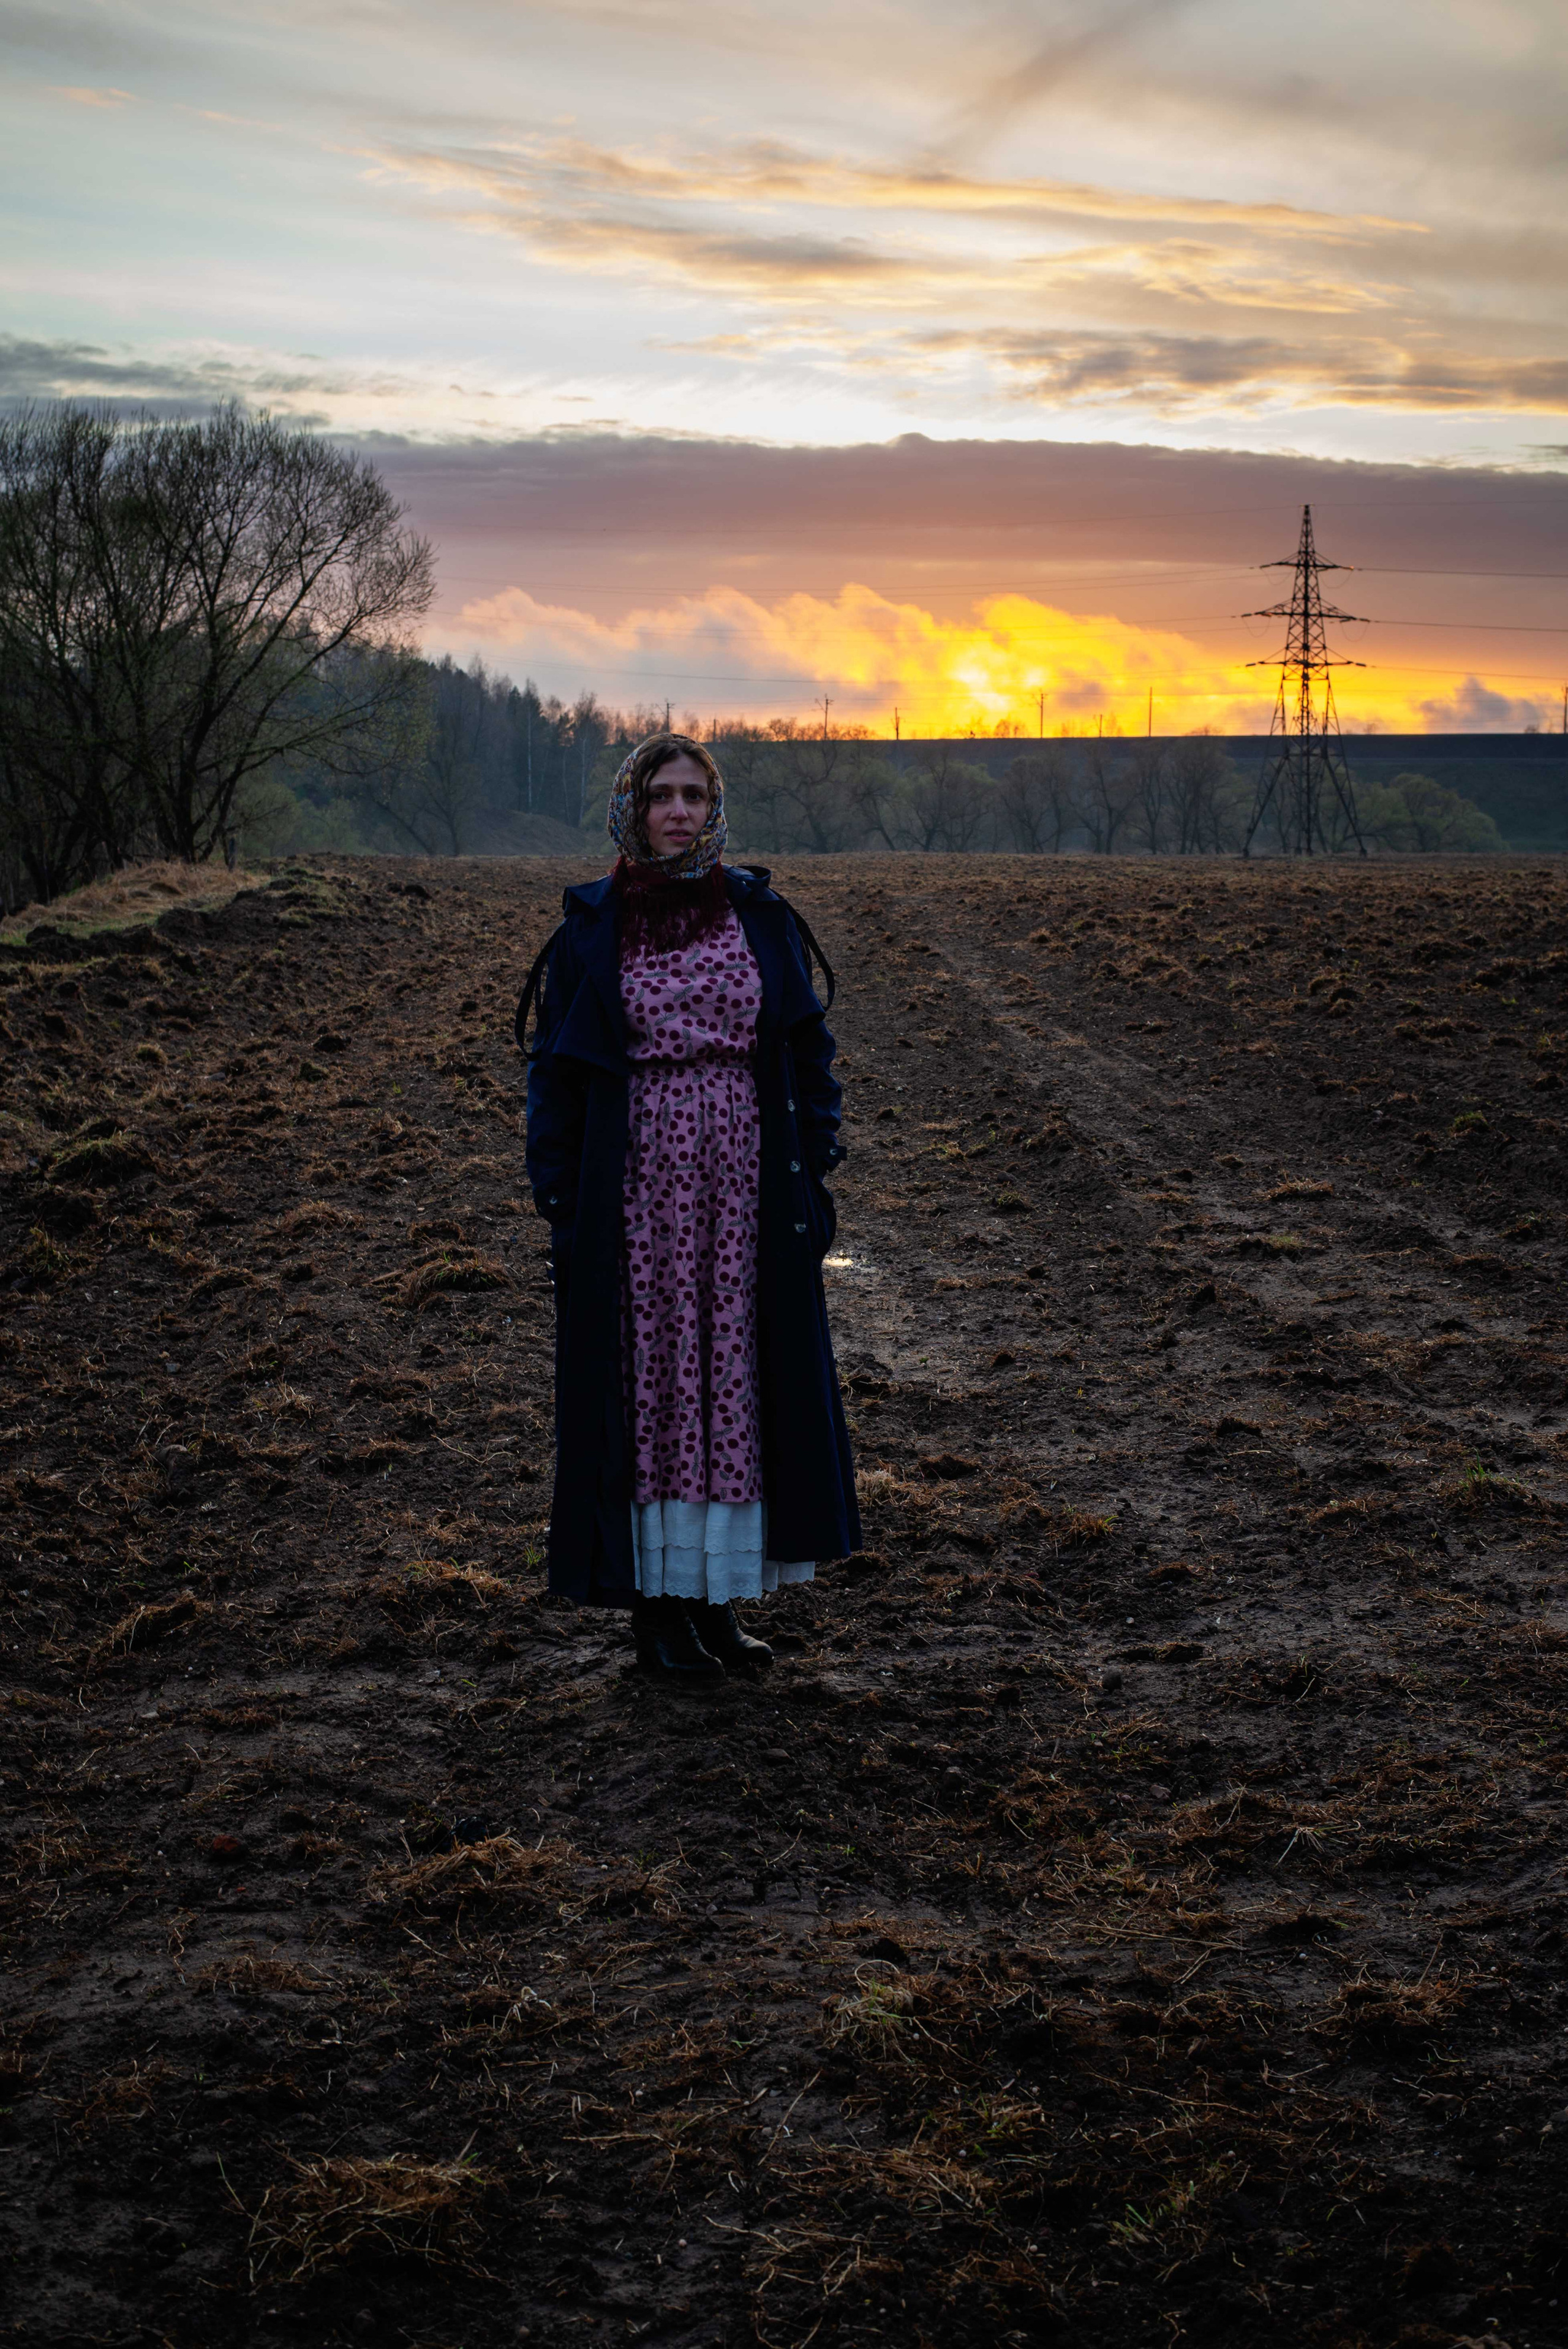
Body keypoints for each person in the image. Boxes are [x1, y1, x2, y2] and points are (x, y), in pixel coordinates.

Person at [519, 732, 860, 1683]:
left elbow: (806, 1049)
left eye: (695, 796)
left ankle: (716, 1604)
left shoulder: (758, 915)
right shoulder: (592, 927)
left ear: (715, 809)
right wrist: (558, 1192)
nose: (679, 811)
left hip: (746, 1198)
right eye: (662, 795)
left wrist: (817, 1159)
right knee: (655, 1393)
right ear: (633, 808)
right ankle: (655, 1615)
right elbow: (557, 1072)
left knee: (738, 1386)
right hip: (636, 1203)